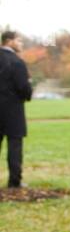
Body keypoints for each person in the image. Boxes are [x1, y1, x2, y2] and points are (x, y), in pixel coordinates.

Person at [0, 30, 32, 188]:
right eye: (19, 41)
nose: (21, 44)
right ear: (9, 41)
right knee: (14, 146)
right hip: (12, 110)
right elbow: (23, 88)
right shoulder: (16, 62)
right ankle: (15, 181)